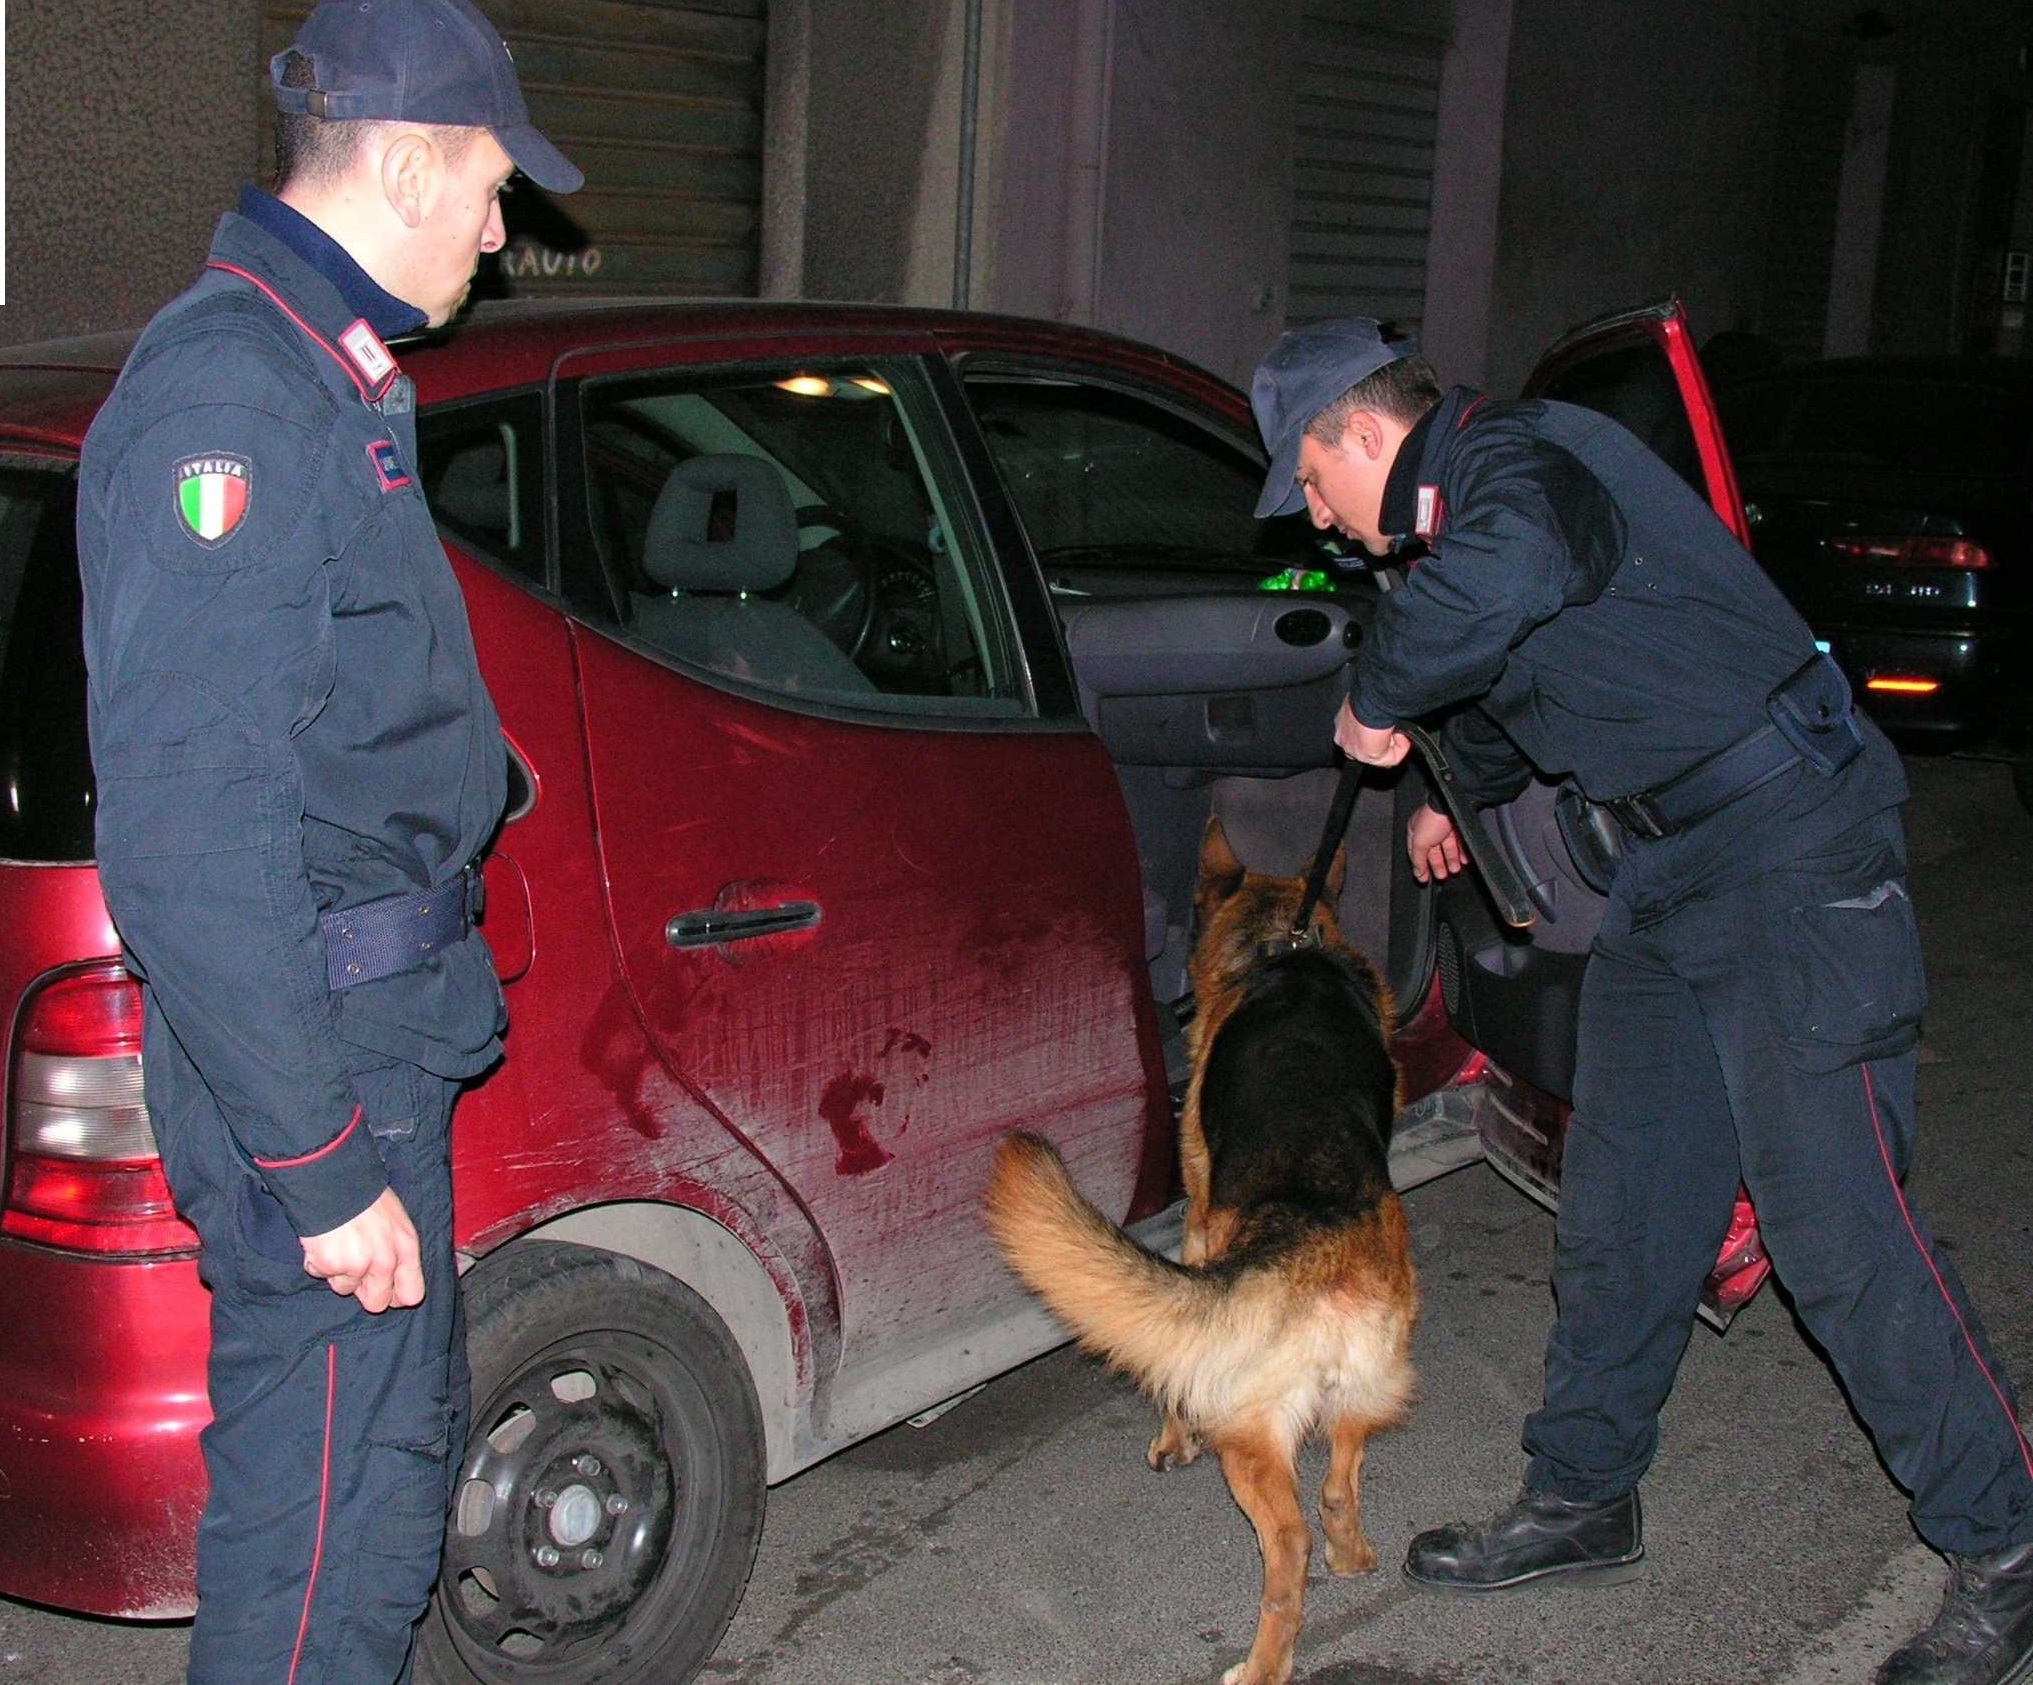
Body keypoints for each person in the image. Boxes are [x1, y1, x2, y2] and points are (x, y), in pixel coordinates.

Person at [1250, 317, 2033, 1685]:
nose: (1313, 517)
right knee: (1623, 1200)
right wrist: (1450, 786)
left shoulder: (1528, 465)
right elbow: (1516, 675)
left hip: (1790, 849)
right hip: (1669, 872)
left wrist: (1379, 690)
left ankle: (2006, 1541)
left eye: (1311, 484)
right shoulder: (1471, 522)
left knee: (1834, 1223)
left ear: (1363, 435)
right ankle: (1581, 1494)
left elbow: (1510, 578)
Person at [76, 3, 580, 1679]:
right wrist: (318, 1159)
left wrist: (462, 766)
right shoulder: (233, 395)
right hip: (320, 1055)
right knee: (320, 1544)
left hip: (372, 1031)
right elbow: (187, 833)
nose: (503, 233)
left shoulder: (322, 367)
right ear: (415, 160)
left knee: (381, 1487)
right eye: (495, 188)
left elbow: (313, 704)